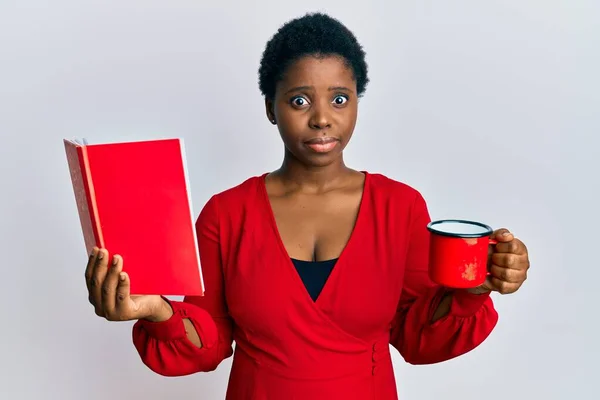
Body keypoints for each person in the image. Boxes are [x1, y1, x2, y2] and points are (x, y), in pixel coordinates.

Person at [84, 12, 530, 400]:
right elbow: (209, 341)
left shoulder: (401, 207)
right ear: (270, 108)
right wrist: (155, 310)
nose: (322, 117)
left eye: (340, 98)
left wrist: (476, 287)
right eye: (299, 100)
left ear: (357, 103)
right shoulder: (226, 215)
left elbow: (417, 337)